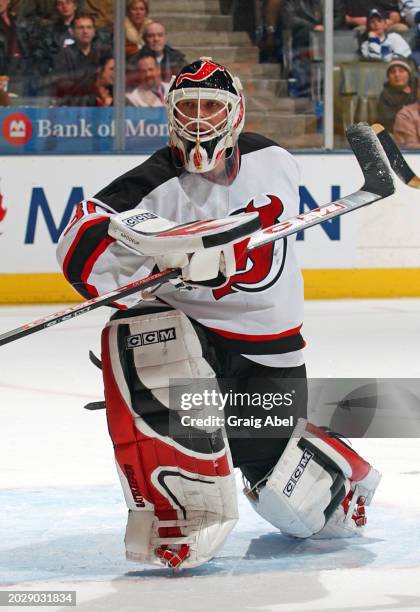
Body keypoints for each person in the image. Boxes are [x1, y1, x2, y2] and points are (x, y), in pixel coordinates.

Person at [56, 57, 381, 569]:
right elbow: (78, 245)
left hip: (272, 344)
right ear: (171, 115)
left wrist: (212, 250)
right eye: (189, 107)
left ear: (236, 113)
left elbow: (244, 231)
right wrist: (168, 252)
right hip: (195, 329)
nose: (200, 120)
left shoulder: (274, 158)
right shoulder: (152, 183)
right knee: (144, 338)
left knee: (297, 505)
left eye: (212, 106)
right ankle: (180, 518)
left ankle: (336, 466)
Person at [52, 13, 111, 105]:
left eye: (89, 27)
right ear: (72, 32)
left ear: (94, 31)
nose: (85, 31)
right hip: (73, 105)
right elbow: (63, 85)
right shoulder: (64, 54)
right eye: (80, 28)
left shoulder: (103, 52)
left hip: (100, 104)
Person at [377, 56, 417, 130]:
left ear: (409, 74)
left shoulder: (417, 88)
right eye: (392, 72)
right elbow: (388, 121)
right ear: (388, 77)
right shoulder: (386, 96)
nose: (397, 75)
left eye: (401, 71)